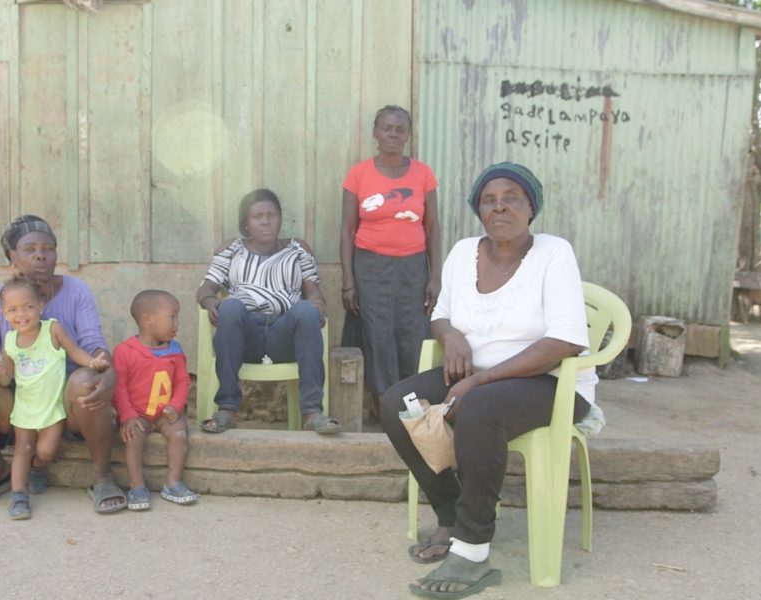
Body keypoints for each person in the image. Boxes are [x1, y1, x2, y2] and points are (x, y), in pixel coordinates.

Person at [380, 163, 597, 598]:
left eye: (511, 197)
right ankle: (451, 515)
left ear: (530, 207)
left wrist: (479, 383)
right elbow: (439, 312)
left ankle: (474, 550)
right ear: (479, 209)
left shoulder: (554, 253)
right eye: (489, 199)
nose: (499, 206)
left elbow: (563, 343)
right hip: (473, 375)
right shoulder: (463, 252)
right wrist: (452, 335)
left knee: (479, 408)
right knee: (397, 403)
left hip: (549, 382)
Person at [0, 215, 128, 514]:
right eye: (30, 249)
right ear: (12, 256)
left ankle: (103, 478)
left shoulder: (76, 291)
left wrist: (107, 370)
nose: (41, 255)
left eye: (48, 248)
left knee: (86, 381)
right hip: (21, 398)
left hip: (66, 401)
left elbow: (93, 343)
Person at [195, 188, 339, 435]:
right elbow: (206, 288)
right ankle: (227, 410)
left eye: (271, 215)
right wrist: (211, 303)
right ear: (246, 223)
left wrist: (318, 305)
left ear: (280, 219)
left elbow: (313, 290)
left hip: (285, 334)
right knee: (230, 305)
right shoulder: (230, 250)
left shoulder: (298, 250)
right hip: (245, 334)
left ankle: (312, 413)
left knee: (305, 310)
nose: (265, 221)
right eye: (257, 216)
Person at [340, 105, 443, 407]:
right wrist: (348, 281)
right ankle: (386, 403)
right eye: (387, 128)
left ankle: (412, 402)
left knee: (413, 332)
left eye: (400, 129)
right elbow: (347, 230)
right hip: (370, 266)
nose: (393, 134)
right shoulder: (358, 174)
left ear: (408, 135)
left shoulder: (423, 173)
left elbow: (433, 228)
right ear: (375, 132)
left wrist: (435, 276)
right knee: (377, 333)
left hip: (413, 266)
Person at [0, 277, 111, 519]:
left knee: (45, 451)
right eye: (12, 310)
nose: (21, 314)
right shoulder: (10, 341)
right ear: (4, 314)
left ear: (40, 306)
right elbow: (7, 379)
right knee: (23, 449)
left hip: (52, 409)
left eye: (28, 307)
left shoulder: (52, 329)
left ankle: (38, 468)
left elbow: (75, 352)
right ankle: (19, 495)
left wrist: (93, 362)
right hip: (25, 408)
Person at [113, 289, 199, 510]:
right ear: (148, 320)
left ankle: (173, 482)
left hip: (163, 413)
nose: (177, 322)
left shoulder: (175, 351)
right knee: (133, 437)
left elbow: (182, 382)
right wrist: (128, 416)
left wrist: (175, 405)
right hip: (138, 414)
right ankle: (137, 486)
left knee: (179, 431)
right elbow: (119, 387)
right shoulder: (125, 351)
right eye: (172, 316)